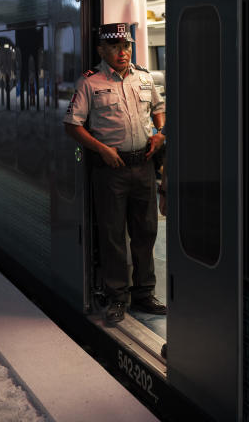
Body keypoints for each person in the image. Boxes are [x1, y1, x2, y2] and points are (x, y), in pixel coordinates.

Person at [64, 23, 167, 325]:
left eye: (127, 46)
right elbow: (72, 125)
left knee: (146, 231)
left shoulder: (145, 78)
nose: (123, 52)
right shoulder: (90, 83)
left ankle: (144, 293)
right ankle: (117, 298)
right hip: (111, 169)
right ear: (101, 50)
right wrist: (101, 149)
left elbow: (159, 108)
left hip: (144, 166)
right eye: (115, 47)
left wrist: (160, 133)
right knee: (112, 236)